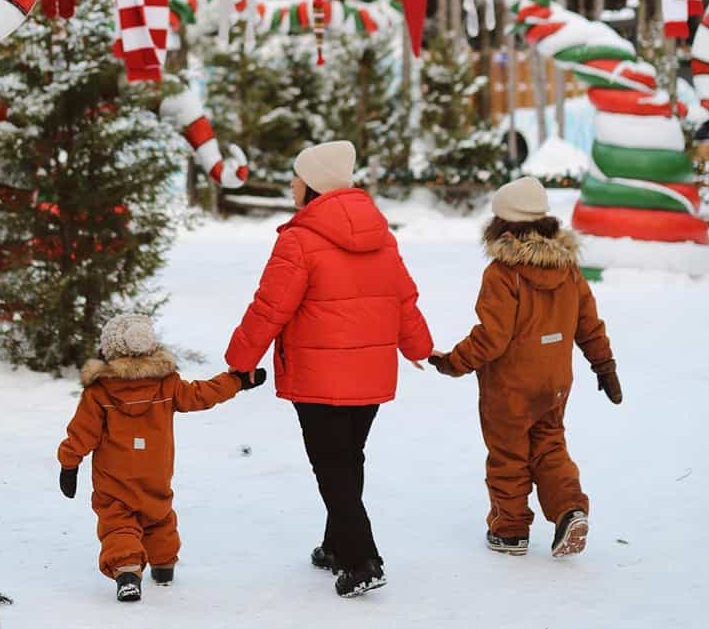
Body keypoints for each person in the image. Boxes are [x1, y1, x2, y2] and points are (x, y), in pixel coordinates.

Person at [225, 141, 433, 598]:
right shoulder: (381, 234)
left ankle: (362, 560)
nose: (292, 185)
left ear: (314, 185)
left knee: (332, 467)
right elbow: (403, 297)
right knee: (347, 459)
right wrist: (419, 345)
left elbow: (268, 309)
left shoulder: (298, 239)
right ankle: (336, 546)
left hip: (318, 378)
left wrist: (238, 361)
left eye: (296, 177)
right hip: (371, 376)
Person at [429, 177, 622, 558]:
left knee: (508, 455)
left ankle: (510, 530)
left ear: (503, 224)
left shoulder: (503, 273)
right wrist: (604, 364)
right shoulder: (568, 268)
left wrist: (452, 362)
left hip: (509, 386)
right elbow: (588, 323)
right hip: (554, 382)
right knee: (550, 446)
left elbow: (492, 337)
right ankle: (569, 509)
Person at [58, 313, 265, 602]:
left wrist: (69, 463)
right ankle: (164, 564)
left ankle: (127, 572)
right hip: (156, 470)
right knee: (157, 513)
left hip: (115, 476)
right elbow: (201, 394)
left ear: (110, 350)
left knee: (118, 519)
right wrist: (236, 382)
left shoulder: (100, 392)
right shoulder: (167, 384)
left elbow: (82, 433)